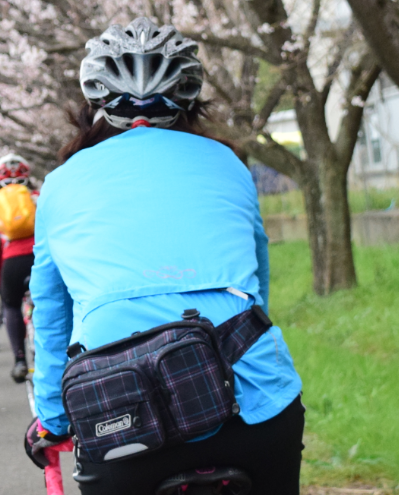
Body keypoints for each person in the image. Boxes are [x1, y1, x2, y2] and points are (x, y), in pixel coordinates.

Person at [25, 19, 304, 495]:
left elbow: (52, 314)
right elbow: (256, 283)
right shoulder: (228, 164)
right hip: (253, 400)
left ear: (95, 106)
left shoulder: (61, 183)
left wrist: (52, 418)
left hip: (120, 412)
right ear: (191, 101)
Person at [0, 154, 38, 383]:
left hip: (12, 262)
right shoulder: (37, 196)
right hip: (40, 257)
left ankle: (19, 360)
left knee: (11, 305)